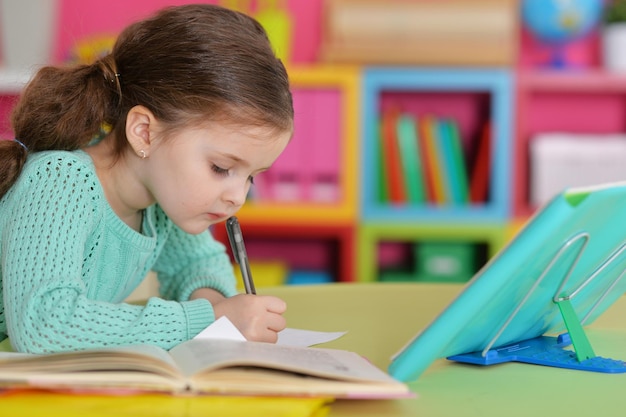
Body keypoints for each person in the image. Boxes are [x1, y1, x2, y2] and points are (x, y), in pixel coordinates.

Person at [0, 4, 293, 354]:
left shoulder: (163, 197)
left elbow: (194, 264)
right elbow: (46, 325)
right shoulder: (60, 181)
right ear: (144, 133)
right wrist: (204, 319)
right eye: (220, 168)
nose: (237, 197)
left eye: (251, 178)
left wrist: (222, 310)